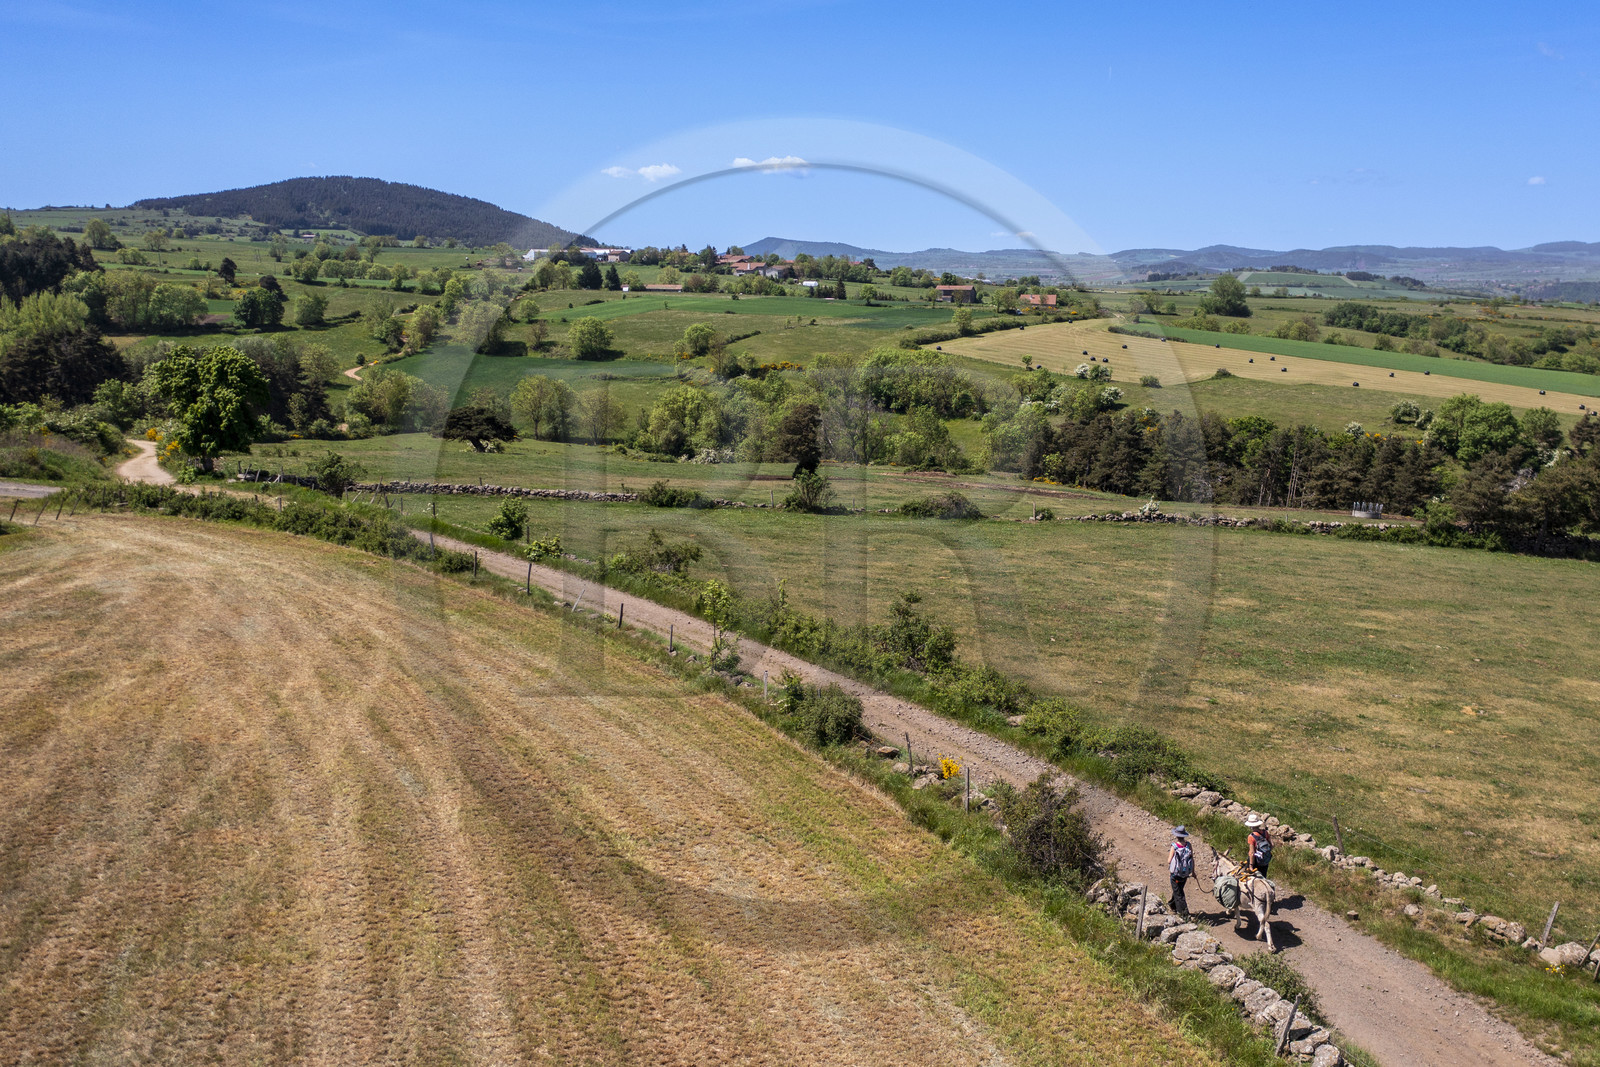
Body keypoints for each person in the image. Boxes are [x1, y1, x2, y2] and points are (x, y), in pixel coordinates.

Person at [1168, 825, 1194, 918]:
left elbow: (1169, 860)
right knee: (1178, 890)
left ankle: (1184, 914)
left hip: (1175, 874)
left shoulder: (1174, 846)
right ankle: (1172, 904)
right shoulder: (1188, 845)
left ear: (1176, 835)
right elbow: (1192, 858)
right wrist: (1193, 872)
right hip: (1185, 873)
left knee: (1179, 894)